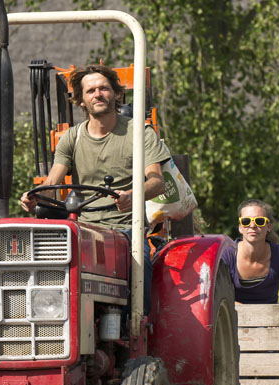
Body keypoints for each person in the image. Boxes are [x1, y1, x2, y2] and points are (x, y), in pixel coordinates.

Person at [19, 64, 168, 312]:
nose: (97, 94)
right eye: (90, 91)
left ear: (116, 94)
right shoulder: (72, 138)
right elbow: (51, 185)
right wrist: (34, 197)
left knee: (139, 265)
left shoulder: (140, 132)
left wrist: (133, 195)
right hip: (85, 229)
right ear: (81, 100)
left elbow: (157, 181)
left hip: (125, 229)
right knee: (44, 264)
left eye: (104, 88)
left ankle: (137, 331)